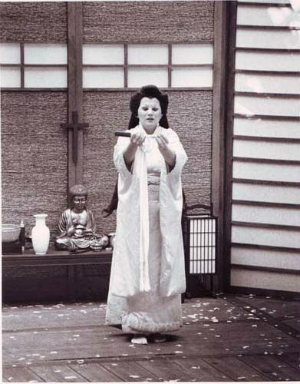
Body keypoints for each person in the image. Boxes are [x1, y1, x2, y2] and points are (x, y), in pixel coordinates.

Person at [105, 85, 188, 345]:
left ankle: (160, 325)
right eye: (145, 108)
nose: (150, 112)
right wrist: (132, 146)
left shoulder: (170, 135)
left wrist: (165, 151)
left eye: (155, 108)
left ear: (161, 113)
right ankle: (137, 326)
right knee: (137, 260)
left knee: (160, 262)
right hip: (136, 212)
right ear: (137, 112)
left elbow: (178, 165)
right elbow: (122, 165)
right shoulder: (128, 135)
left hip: (162, 209)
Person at [55, 184, 108, 251]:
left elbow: (93, 230)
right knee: (58, 242)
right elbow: (60, 232)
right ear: (72, 200)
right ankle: (90, 247)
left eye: (82, 200)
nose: (80, 203)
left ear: (86, 200)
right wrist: (68, 232)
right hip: (72, 239)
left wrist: (89, 232)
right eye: (77, 200)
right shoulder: (66, 213)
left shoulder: (89, 213)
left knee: (105, 239)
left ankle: (86, 246)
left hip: (86, 239)